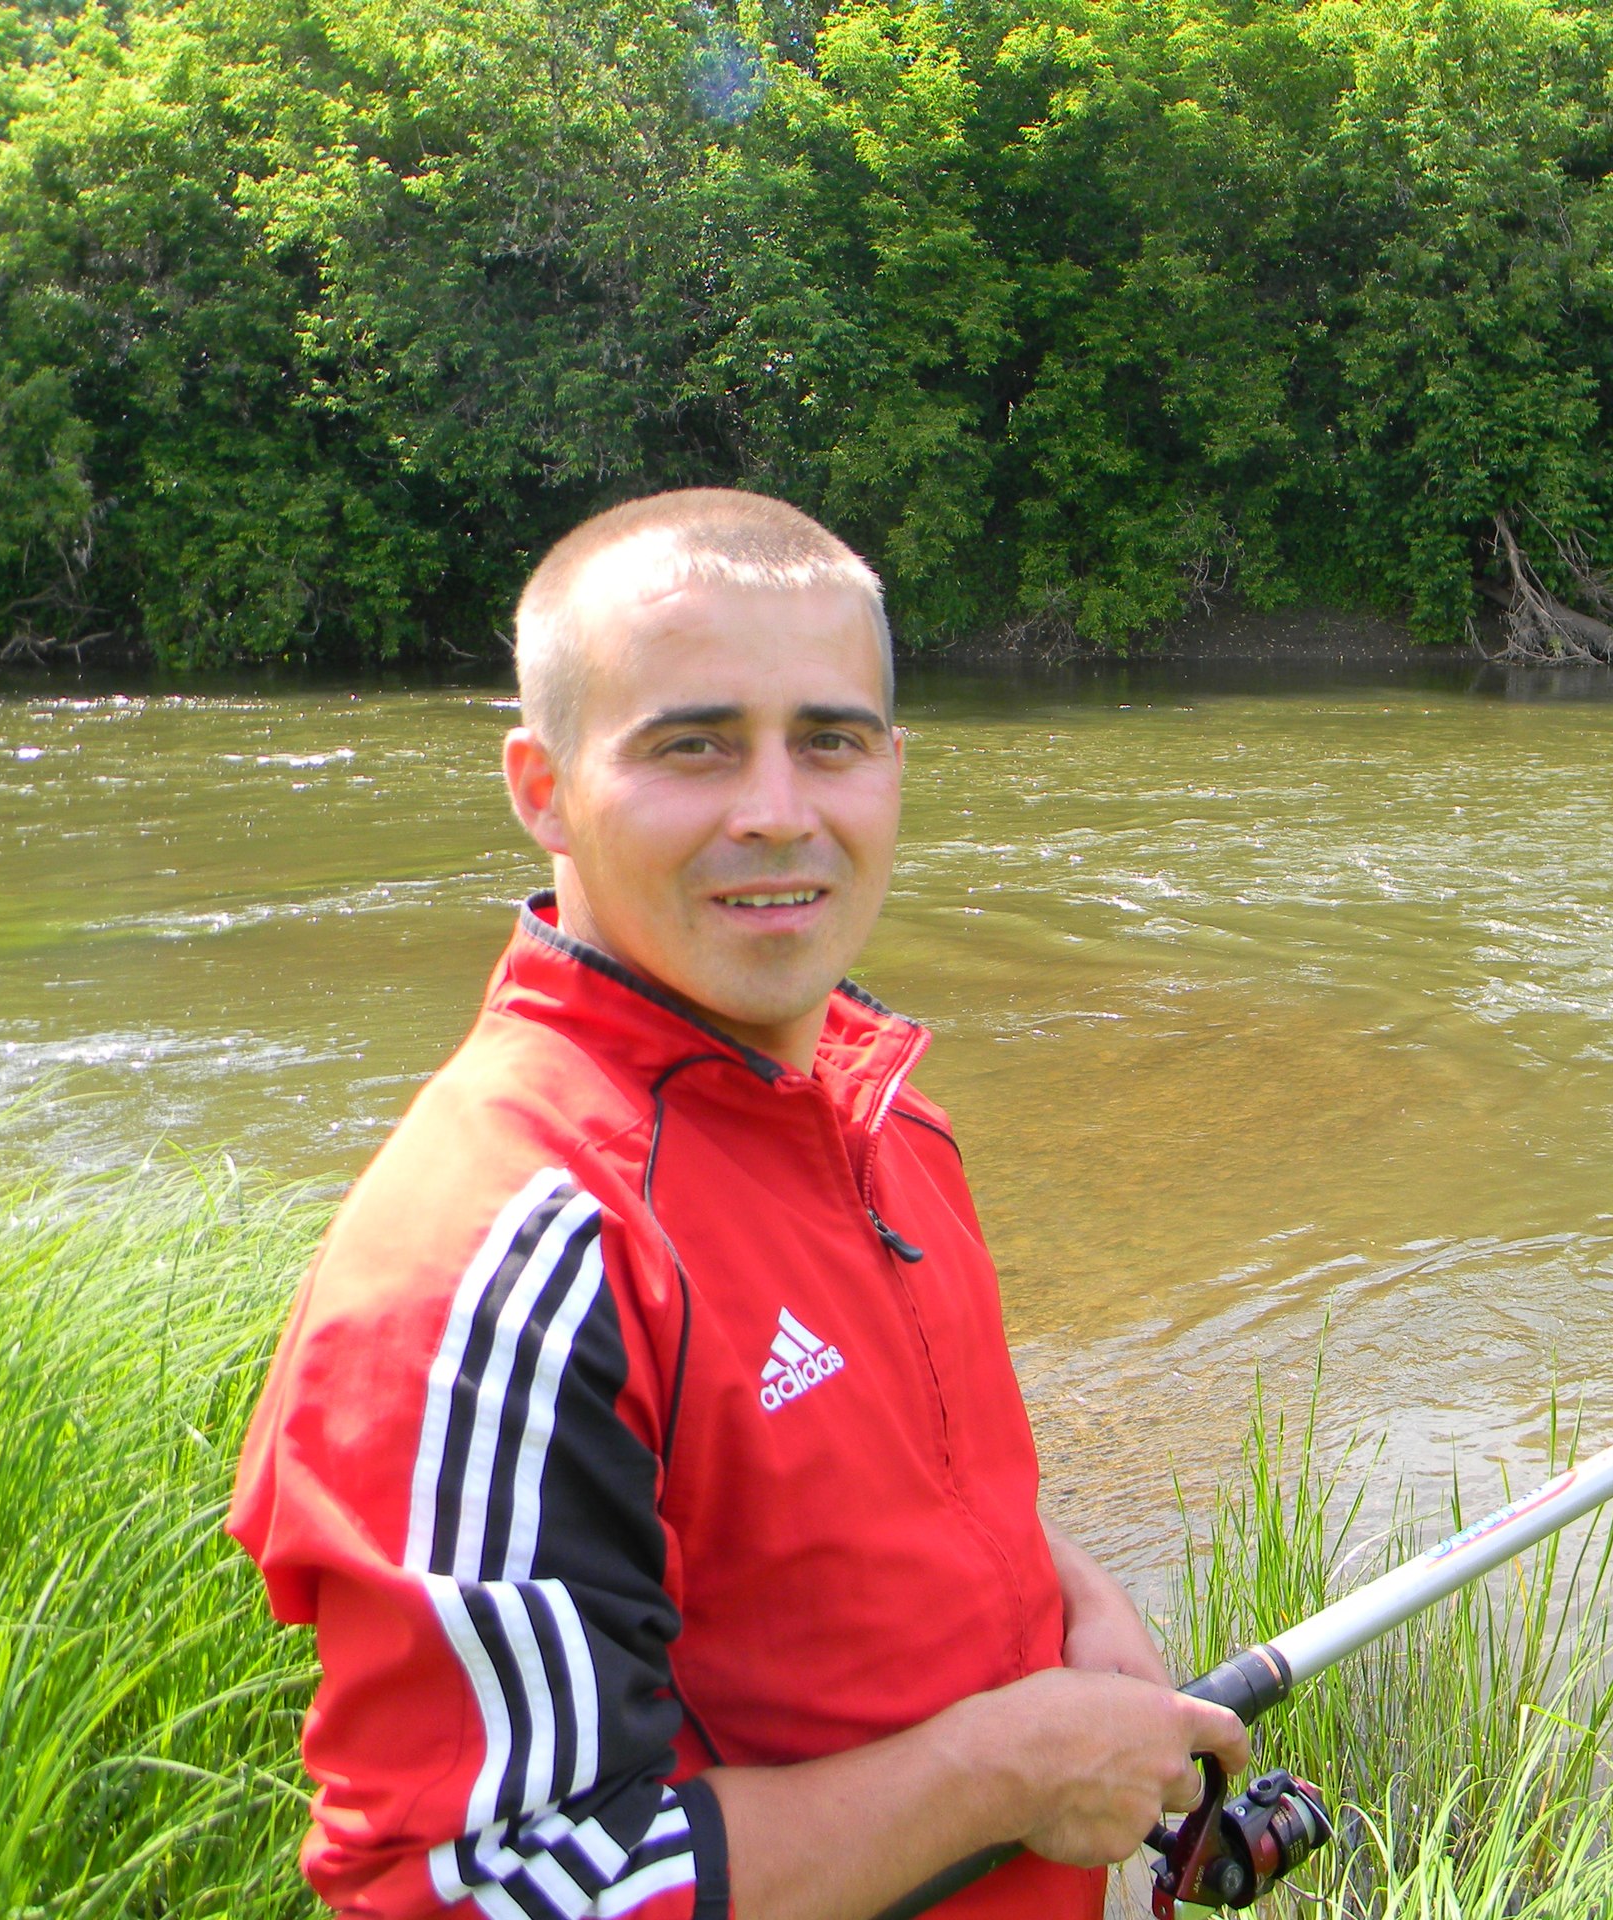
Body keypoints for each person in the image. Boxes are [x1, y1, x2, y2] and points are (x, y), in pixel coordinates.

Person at [230, 489, 1249, 1920]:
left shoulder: (883, 1111)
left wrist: (1058, 1587)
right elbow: (489, 1890)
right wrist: (1006, 1773)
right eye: (692, 745)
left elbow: (865, 1502)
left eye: (830, 741)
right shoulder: (501, 1265)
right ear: (541, 787)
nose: (779, 813)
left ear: (893, 767)